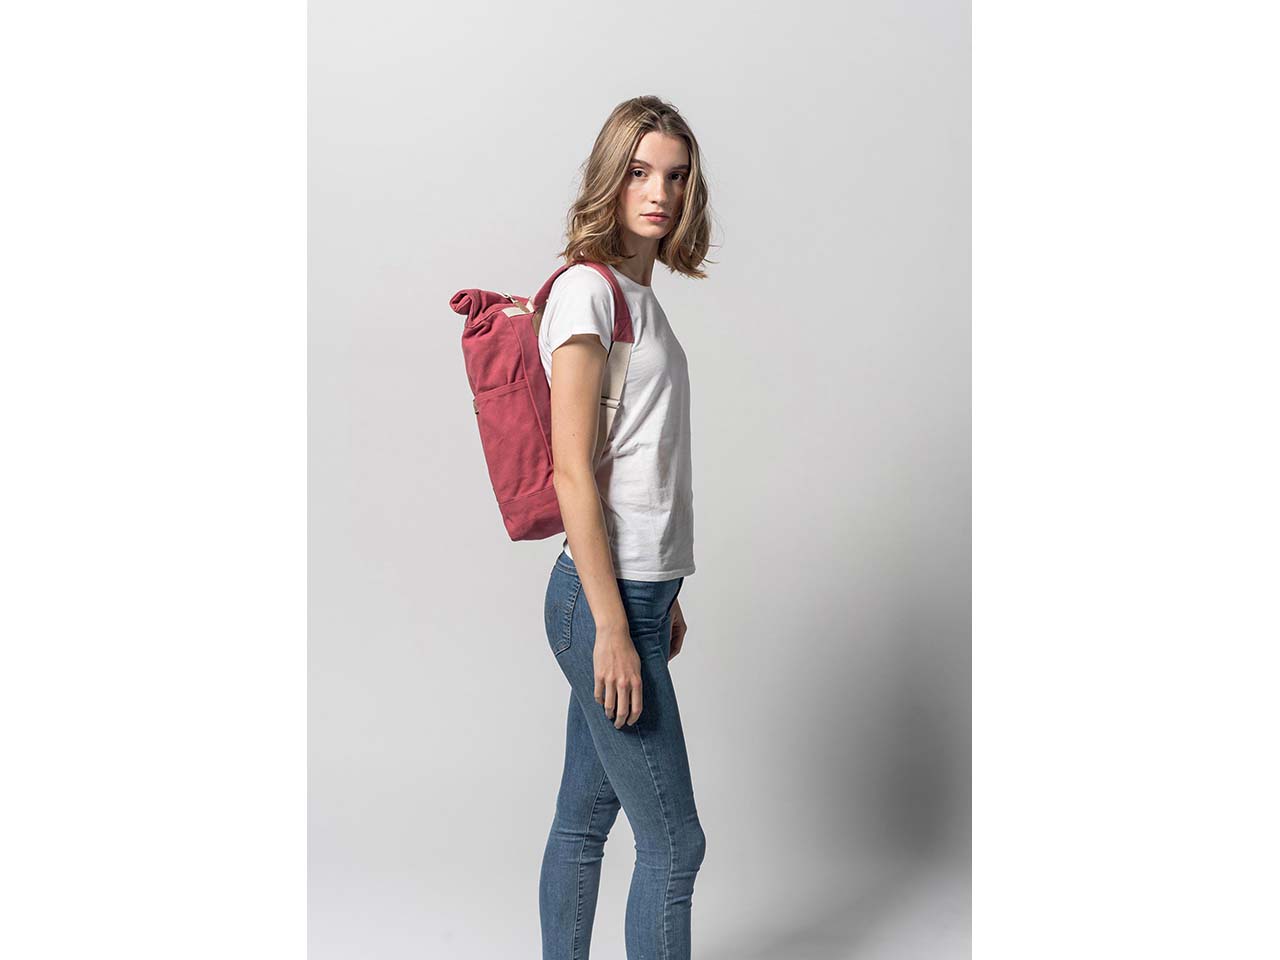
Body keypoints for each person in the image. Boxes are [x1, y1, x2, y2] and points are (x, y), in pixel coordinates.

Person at [536, 95, 714, 960]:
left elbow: (640, 458)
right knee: (675, 845)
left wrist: (664, 592)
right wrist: (613, 625)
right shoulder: (586, 292)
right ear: (611, 176)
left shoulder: (640, 296)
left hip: (639, 593)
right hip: (603, 601)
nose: (659, 193)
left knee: (584, 817)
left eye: (676, 177)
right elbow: (572, 469)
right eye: (640, 172)